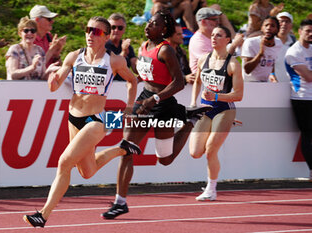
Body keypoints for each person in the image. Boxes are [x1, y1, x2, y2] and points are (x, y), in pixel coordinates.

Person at [23, 16, 139, 228]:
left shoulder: (114, 60)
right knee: (87, 172)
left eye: (96, 32)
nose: (90, 35)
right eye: (88, 30)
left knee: (63, 163)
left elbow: (133, 81)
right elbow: (54, 87)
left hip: (98, 120)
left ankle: (43, 214)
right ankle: (121, 149)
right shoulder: (74, 56)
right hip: (73, 117)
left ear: (105, 36)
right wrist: (53, 80)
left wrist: (129, 109)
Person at [101, 9, 212, 220]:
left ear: (163, 29)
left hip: (163, 106)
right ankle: (120, 202)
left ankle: (190, 121)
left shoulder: (166, 50)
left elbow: (178, 82)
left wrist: (155, 99)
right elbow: (147, 75)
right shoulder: (143, 46)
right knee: (126, 149)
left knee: (165, 159)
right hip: (145, 100)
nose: (147, 25)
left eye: (153, 24)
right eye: (149, 22)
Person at [189, 26, 243, 201]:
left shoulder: (233, 64)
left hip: (224, 109)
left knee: (211, 150)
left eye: (219, 35)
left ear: (228, 39)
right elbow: (197, 82)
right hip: (206, 109)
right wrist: (193, 103)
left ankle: (211, 189)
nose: (214, 38)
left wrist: (217, 95)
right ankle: (225, 124)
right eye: (212, 35)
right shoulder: (204, 58)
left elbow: (239, 95)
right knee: (195, 152)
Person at [285, 19, 312, 181]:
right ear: (299, 32)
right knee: (308, 135)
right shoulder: (294, 52)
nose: (311, 34)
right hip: (302, 98)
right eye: (308, 31)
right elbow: (308, 77)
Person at [189, 7, 240, 75]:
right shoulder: (198, 41)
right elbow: (214, 64)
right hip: (204, 81)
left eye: (218, 19)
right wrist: (233, 45)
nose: (218, 22)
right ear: (203, 21)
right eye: (214, 19)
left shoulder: (211, 36)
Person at [241, 16, 283, 82]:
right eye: (266, 25)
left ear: (278, 29)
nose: (268, 28)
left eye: (272, 26)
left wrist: (272, 75)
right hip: (248, 84)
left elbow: (271, 61)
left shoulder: (278, 43)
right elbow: (247, 70)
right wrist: (260, 53)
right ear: (261, 28)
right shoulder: (250, 42)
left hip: (265, 83)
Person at [105, 13, 137, 81]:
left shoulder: (127, 46)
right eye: (113, 27)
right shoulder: (103, 45)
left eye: (120, 28)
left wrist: (143, 55)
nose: (116, 30)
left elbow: (135, 69)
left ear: (124, 30)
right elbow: (111, 68)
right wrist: (123, 52)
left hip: (123, 85)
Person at [274, 12, 296, 82]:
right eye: (281, 21)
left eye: (287, 22)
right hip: (269, 85)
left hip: (290, 86)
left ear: (291, 26)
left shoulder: (295, 45)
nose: (284, 24)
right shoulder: (267, 42)